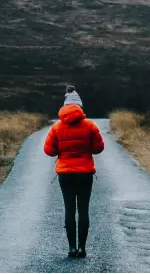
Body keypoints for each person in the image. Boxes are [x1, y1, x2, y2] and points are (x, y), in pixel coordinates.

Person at [44, 104, 104, 258]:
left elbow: (49, 150)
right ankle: (82, 248)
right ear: (80, 112)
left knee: (69, 208)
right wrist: (86, 148)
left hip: (65, 174)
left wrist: (61, 149)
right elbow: (99, 148)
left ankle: (71, 248)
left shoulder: (57, 127)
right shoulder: (90, 126)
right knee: (83, 209)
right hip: (85, 173)